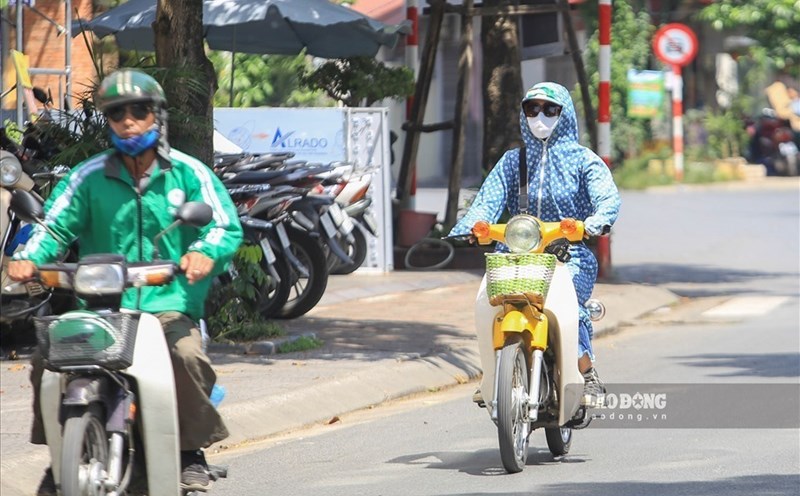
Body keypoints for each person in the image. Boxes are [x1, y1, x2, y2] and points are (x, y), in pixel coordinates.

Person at [8, 68, 244, 494]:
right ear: (109, 120)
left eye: (139, 111)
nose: (129, 120)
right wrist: (27, 258)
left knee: (187, 355)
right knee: (47, 360)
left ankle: (189, 450)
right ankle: (61, 454)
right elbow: (54, 225)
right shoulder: (88, 176)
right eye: (118, 113)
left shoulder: (189, 174)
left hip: (167, 305)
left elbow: (224, 226)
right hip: (99, 308)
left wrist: (203, 252)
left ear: (157, 117)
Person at [448, 81, 621, 409]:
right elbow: (487, 202)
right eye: (532, 109)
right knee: (486, 301)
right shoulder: (514, 162)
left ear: (564, 114)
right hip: (514, 254)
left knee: (572, 305)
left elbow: (607, 198)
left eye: (549, 109)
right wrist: (470, 228)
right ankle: (491, 375)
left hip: (568, 254)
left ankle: (586, 372)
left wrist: (594, 222)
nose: (539, 116)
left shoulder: (585, 161)